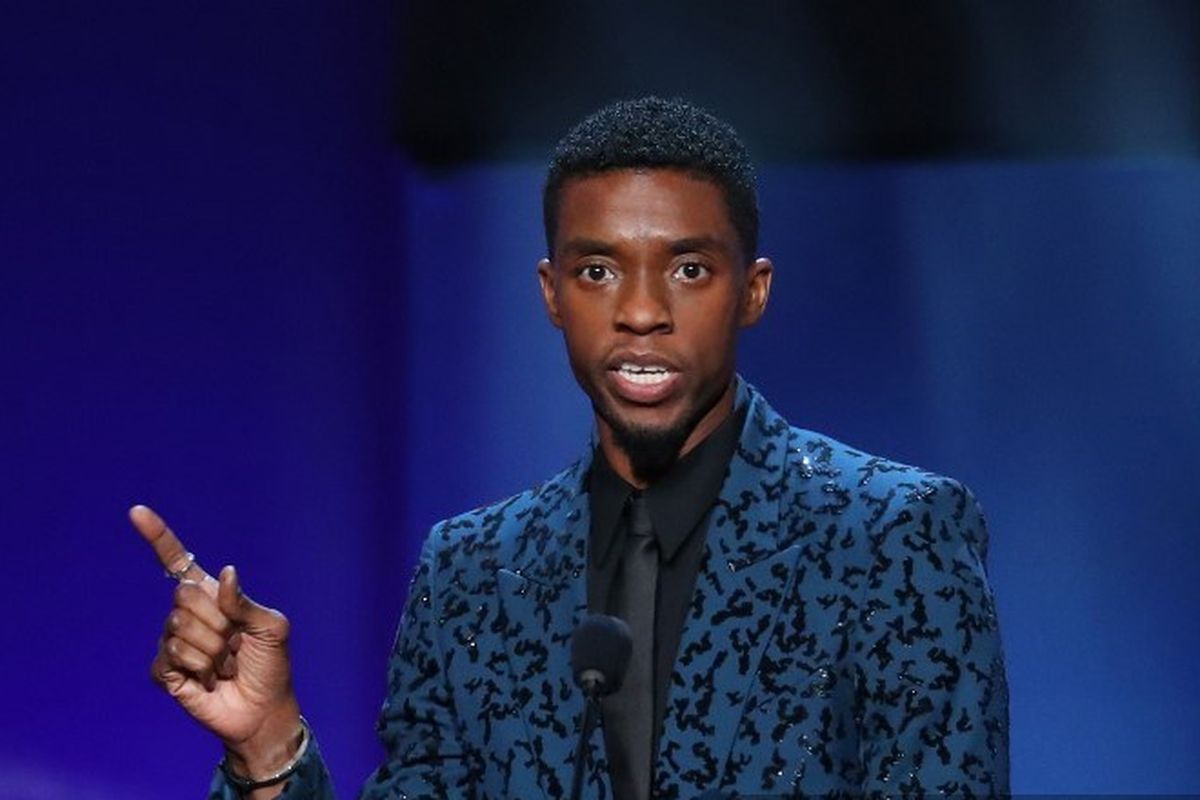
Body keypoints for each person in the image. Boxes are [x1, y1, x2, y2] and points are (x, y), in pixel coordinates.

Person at [134, 97, 1009, 799]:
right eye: (597, 271)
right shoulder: (473, 572)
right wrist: (267, 740)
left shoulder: (892, 535)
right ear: (552, 295)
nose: (639, 311)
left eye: (689, 269)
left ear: (754, 291)